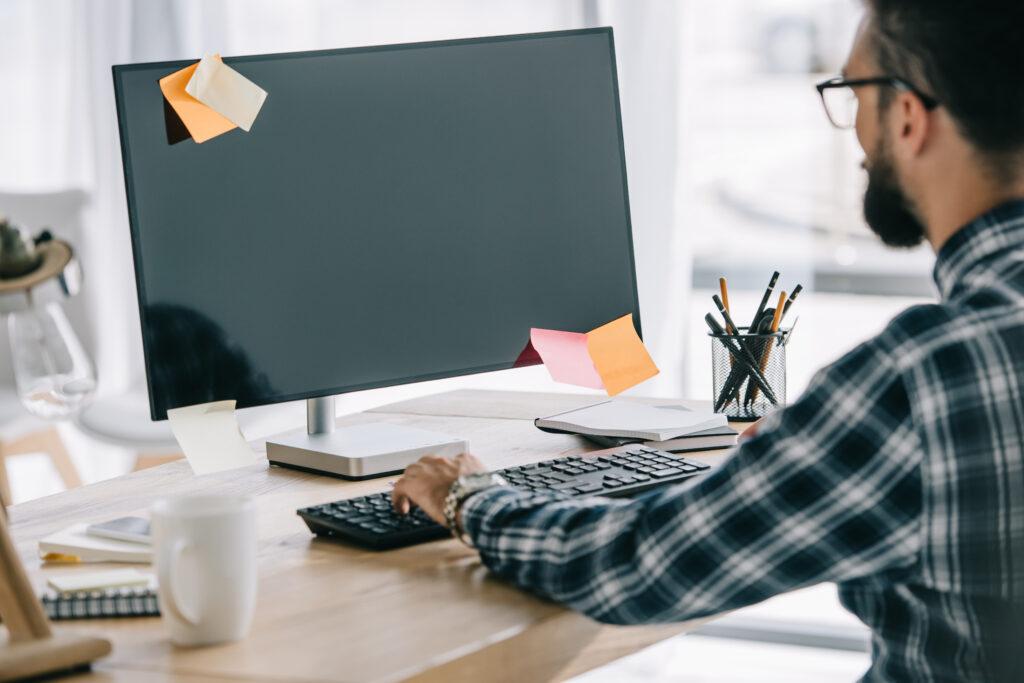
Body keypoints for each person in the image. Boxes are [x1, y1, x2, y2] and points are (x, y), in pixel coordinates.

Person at [392, 2, 1024, 680]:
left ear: (907, 116)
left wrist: (470, 496)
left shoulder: (927, 376)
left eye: (852, 94)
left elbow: (639, 566)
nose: (855, 137)